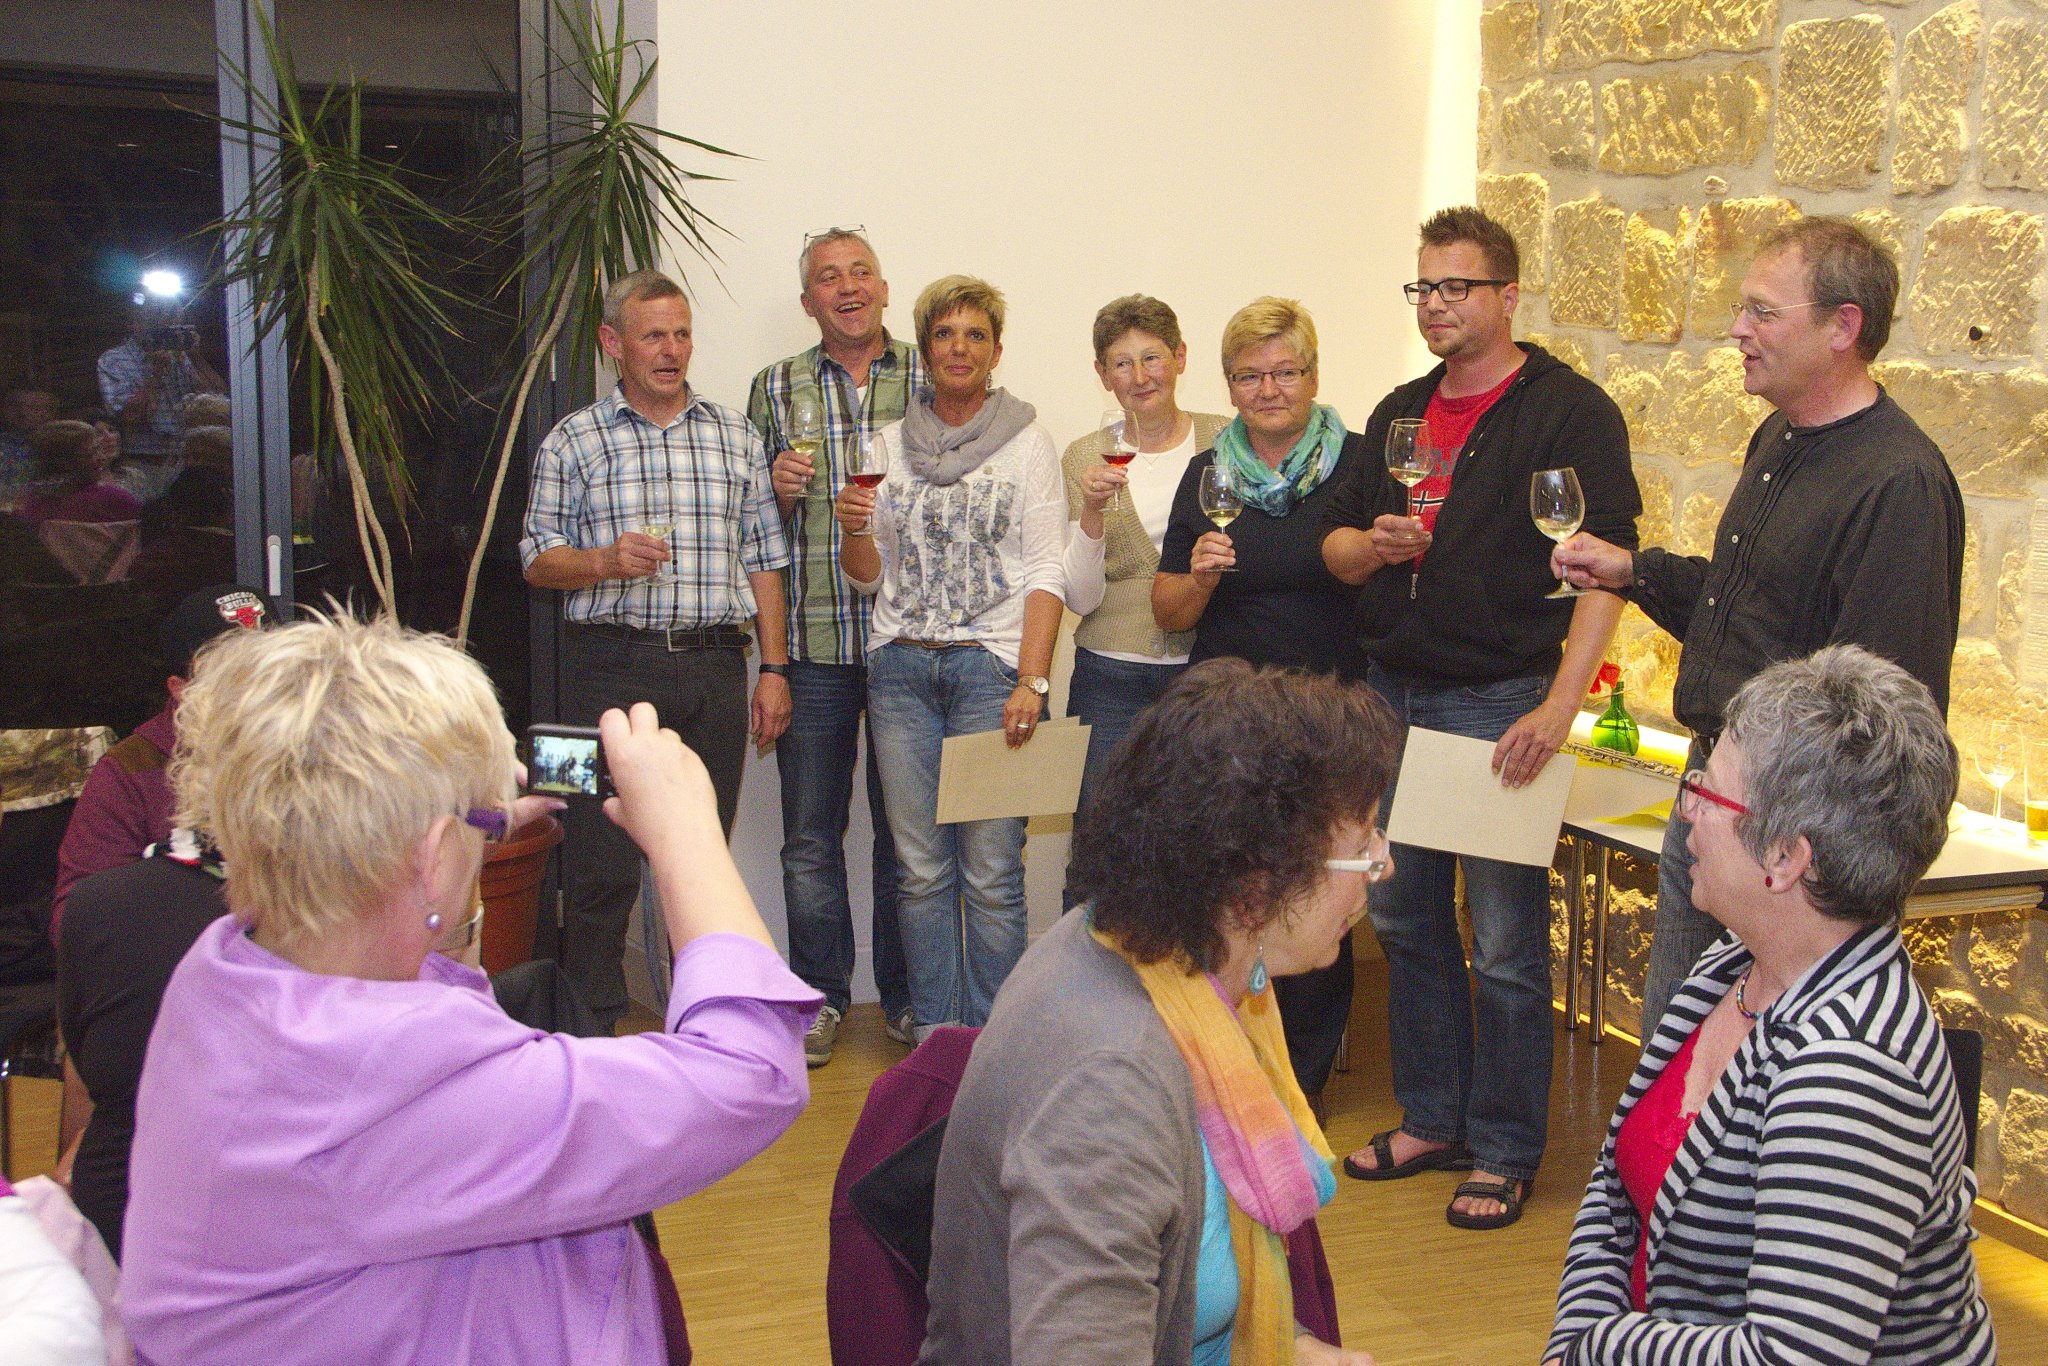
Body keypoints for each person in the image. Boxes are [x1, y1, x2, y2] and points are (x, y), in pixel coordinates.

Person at [120, 612, 821, 1363]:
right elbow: (749, 1072)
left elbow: (415, 979)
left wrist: (449, 852)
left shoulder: (223, 977)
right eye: (474, 824)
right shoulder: (383, 1079)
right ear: (428, 858)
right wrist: (688, 833)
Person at [1552, 216, 1964, 1034]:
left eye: (1763, 312)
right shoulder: (1776, 436)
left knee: (1750, 1063)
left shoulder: (1900, 482)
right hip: (1714, 789)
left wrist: (1797, 849)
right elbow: (1745, 611)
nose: (1738, 329)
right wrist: (1633, 571)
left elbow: (1885, 716)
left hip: (1790, 833)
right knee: (1678, 1048)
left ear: (1842, 327)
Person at [920, 659, 1395, 1366]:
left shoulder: (1144, 952)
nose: (1385, 866)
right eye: (1362, 849)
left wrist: (1291, 1349)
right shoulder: (1111, 1082)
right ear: (1255, 889)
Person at [1320, 207, 1640, 1230]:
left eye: (1456, 287)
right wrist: (1372, 547)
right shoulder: (1400, 412)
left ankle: (1503, 1148)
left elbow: (1604, 568)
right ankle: (1432, 1118)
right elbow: (1338, 547)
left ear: (1508, 295)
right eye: (1423, 287)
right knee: (1405, 920)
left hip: (1500, 697)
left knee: (1503, 943)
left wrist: (1559, 705)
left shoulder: (1569, 412)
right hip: (1393, 697)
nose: (1435, 305)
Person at [1546, 645, 1995, 1364]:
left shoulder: (1850, 1071)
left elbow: (1791, 1355)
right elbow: (1613, 1194)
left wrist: (1600, 1347)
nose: (1687, 811)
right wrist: (1576, 1340)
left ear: (1786, 858)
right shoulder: (1732, 964)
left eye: (1709, 794)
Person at [521, 267, 793, 1028]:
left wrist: (774, 669)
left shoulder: (736, 436)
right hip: (603, 667)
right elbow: (536, 559)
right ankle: (588, 1029)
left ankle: (701, 1023)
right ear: (613, 343)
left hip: (713, 666)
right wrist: (604, 560)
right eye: (653, 337)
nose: (671, 351)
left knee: (699, 859)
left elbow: (765, 559)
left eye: (681, 335)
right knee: (597, 859)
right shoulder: (573, 439)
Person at [834, 275, 1063, 1037]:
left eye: (975, 334)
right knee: (920, 872)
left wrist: (1033, 679)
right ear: (925, 349)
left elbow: (1047, 570)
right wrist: (853, 529)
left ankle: (995, 1045)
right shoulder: (886, 446)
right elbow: (868, 577)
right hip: (900, 671)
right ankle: (938, 1040)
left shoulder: (1029, 442)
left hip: (990, 673)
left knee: (992, 874)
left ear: (996, 350)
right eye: (944, 333)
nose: (959, 348)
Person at [1153, 296, 1366, 1108]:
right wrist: (1201, 578)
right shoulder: (1209, 472)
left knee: (1318, 894)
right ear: (1228, 385)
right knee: (1228, 895)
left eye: (1285, 372)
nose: (1268, 390)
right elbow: (1169, 612)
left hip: (1329, 718)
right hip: (1230, 723)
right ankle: (1223, 1070)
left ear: (1312, 375)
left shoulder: (1357, 463)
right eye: (1249, 376)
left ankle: (1298, 1088)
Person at [749, 227, 925, 1063]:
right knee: (809, 840)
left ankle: (906, 997)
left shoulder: (934, 374)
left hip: (910, 643)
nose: (847, 287)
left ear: (884, 288)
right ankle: (818, 998)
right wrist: (778, 492)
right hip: (814, 644)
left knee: (908, 839)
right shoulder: (774, 387)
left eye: (861, 273)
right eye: (829, 277)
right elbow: (755, 529)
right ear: (808, 300)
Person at [1059, 295, 1228, 904]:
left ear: (1180, 358)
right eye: (1121, 363)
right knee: (1101, 850)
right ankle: (1085, 967)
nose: (1139, 376)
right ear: (1103, 374)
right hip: (1111, 676)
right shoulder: (1085, 456)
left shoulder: (1227, 439)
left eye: (1152, 357)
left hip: (1207, 674)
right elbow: (1080, 597)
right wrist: (1092, 512)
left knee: (1207, 851)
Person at [50, 584, 274, 936]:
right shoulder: (131, 768)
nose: (259, 688)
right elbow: (78, 921)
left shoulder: (327, 749)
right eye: (233, 675)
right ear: (181, 690)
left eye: (273, 667)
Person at [96, 302, 225, 472]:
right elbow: (127, 417)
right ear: (135, 324)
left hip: (187, 460)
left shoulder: (180, 354)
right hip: (144, 462)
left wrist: (195, 356)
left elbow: (219, 398)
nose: (165, 325)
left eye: (170, 320)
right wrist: (156, 374)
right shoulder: (115, 360)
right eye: (156, 318)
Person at [13, 420, 141, 533]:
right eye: (91, 454)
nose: (101, 457)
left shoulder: (26, 504)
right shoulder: (115, 499)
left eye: (98, 449)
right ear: (65, 463)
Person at [0, 386, 57, 505]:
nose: (44, 414)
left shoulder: (61, 443)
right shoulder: (5, 447)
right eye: (35, 408)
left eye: (49, 408)